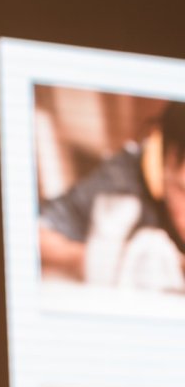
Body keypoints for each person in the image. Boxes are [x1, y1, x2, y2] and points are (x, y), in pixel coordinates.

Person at [39, 101, 185, 290]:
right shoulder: (122, 182)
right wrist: (94, 261)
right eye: (182, 192)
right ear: (170, 162)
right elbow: (34, 235)